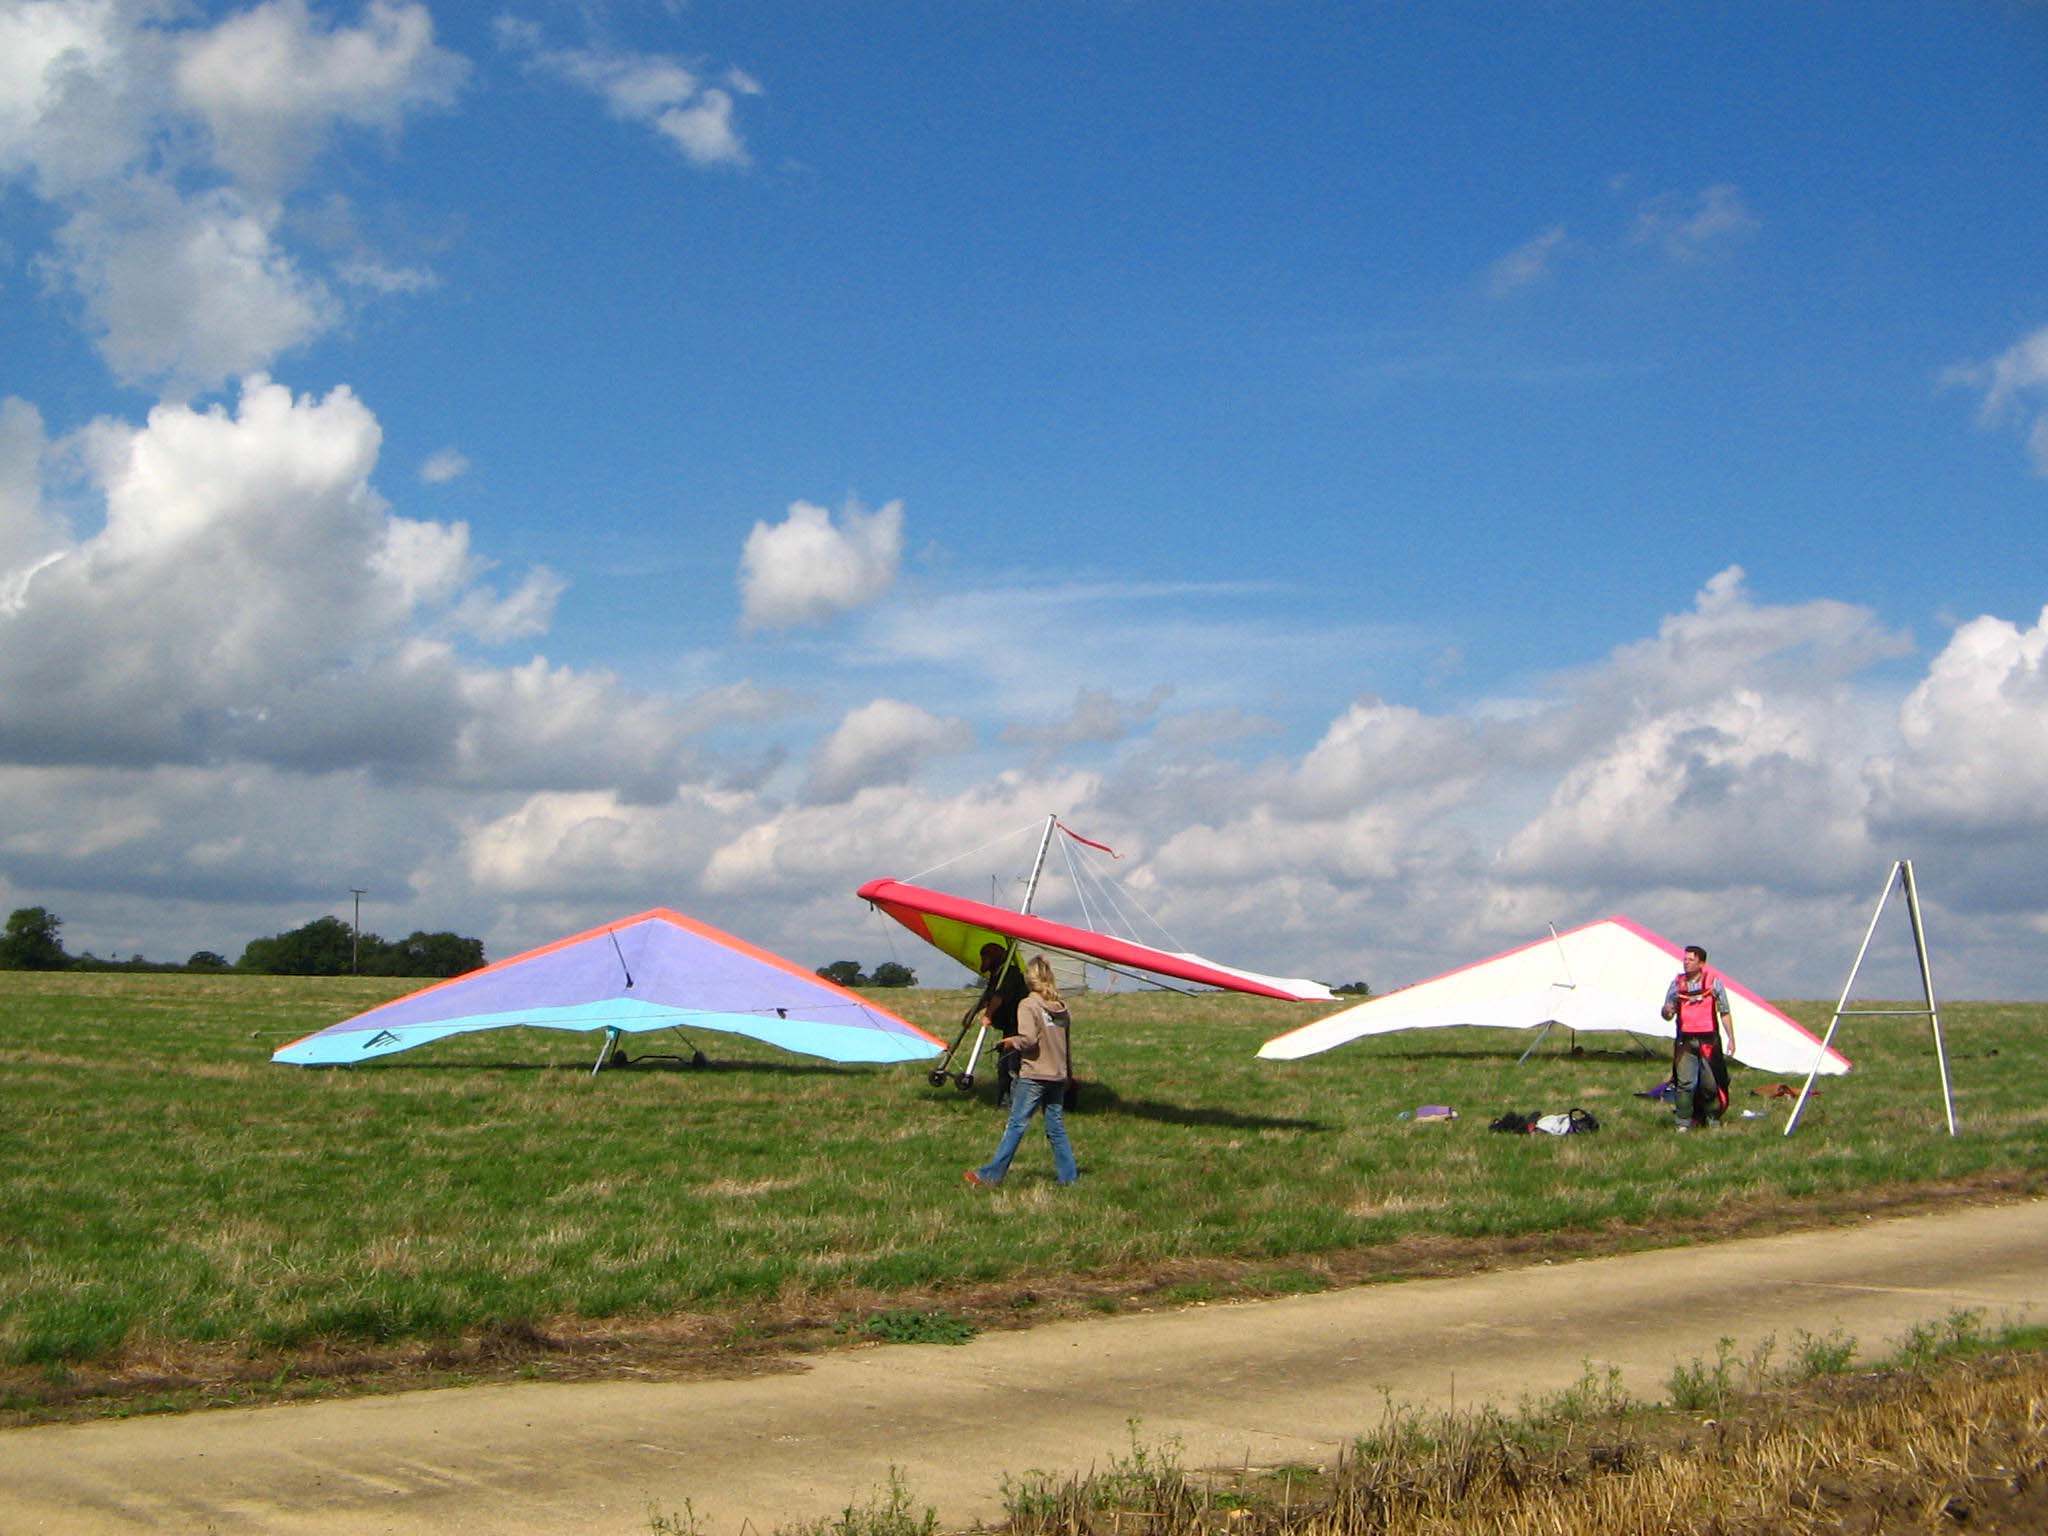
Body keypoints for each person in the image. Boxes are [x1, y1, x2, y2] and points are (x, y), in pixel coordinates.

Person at [964, 954, 1078, 1187]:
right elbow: (1066, 1046)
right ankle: (1069, 1178)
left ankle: (990, 1175)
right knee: (1056, 1129)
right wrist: (1068, 1074)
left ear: (1030, 980)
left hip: (1034, 1074)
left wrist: (1009, 1042)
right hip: (1057, 1074)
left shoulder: (1028, 1004)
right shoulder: (1061, 1009)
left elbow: (1028, 1041)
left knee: (1016, 1125)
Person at [1662, 943, 1737, 1130]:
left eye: (1691, 960)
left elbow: (1724, 1011)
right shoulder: (1677, 984)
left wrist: (1731, 1038)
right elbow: (1666, 1012)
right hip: (1686, 1042)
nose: (1686, 963)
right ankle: (1683, 1123)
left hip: (1708, 1041)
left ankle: (1712, 1118)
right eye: (1684, 959)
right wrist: (1668, 1011)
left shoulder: (1713, 983)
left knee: (1710, 1084)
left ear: (1701, 963)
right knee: (1684, 1083)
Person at [972, 941, 1031, 1104]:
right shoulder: (996, 975)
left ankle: (1013, 1102)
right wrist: (970, 1015)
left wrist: (988, 1015)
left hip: (1019, 1028)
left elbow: (999, 997)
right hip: (1009, 1027)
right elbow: (988, 996)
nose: (983, 963)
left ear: (994, 958)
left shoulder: (1009, 973)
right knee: (1004, 1064)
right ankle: (1006, 1099)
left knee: (1011, 1065)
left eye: (985, 958)